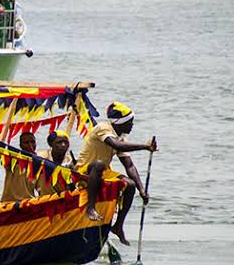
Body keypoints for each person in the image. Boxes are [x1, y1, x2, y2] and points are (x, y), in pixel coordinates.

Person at [74, 102, 157, 245]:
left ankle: (118, 225)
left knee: (130, 185)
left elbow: (129, 165)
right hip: (84, 172)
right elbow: (115, 145)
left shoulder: (121, 137)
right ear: (121, 122)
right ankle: (90, 208)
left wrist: (142, 190)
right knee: (99, 164)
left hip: (103, 172)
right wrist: (145, 146)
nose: (132, 125)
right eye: (130, 122)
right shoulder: (103, 128)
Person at [1, 132, 38, 203]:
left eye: (32, 142)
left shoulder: (38, 163)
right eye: (26, 143)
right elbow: (0, 153)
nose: (30, 145)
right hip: (9, 202)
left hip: (29, 202)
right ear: (20, 145)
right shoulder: (12, 159)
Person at [37, 130, 75, 197]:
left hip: (66, 195)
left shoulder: (70, 160)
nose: (63, 145)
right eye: (59, 142)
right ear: (51, 144)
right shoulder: (41, 157)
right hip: (46, 196)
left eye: (66, 142)